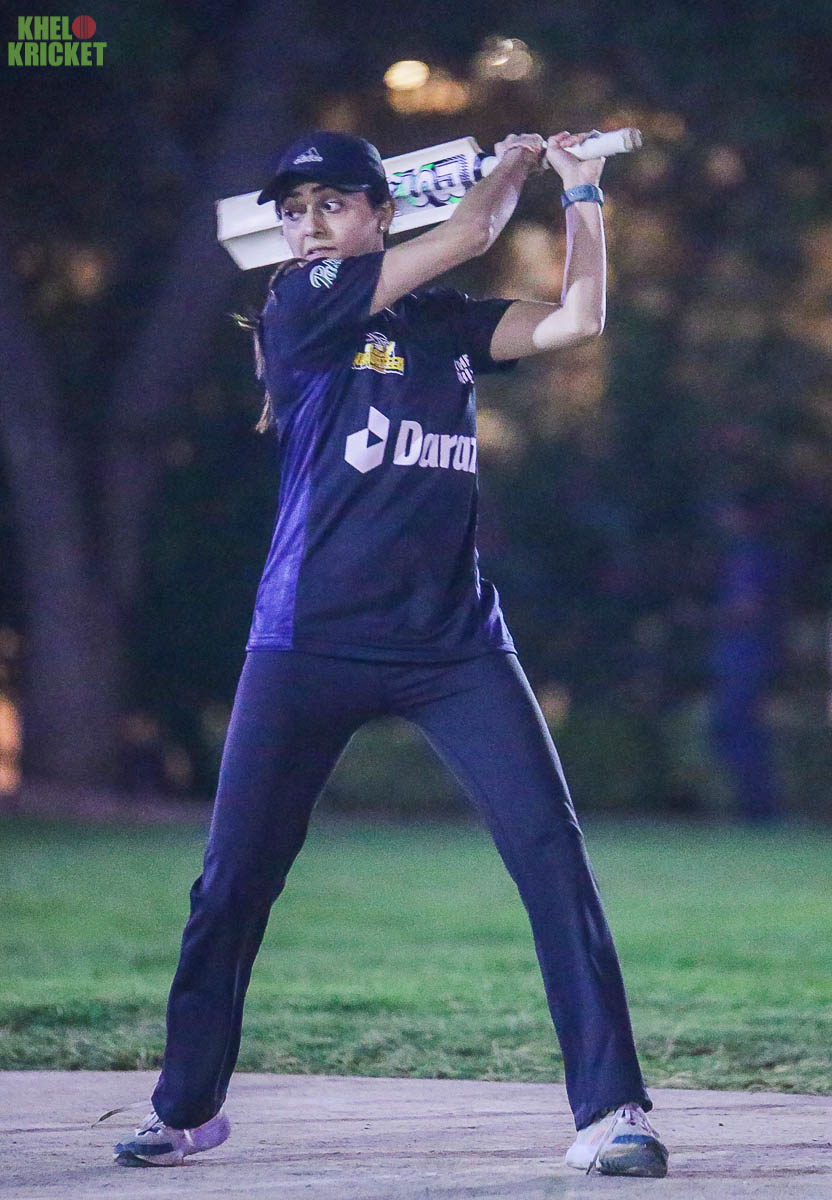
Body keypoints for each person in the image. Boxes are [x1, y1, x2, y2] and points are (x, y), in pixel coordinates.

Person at [110, 128, 668, 1178]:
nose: (309, 225)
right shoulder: (301, 300)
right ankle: (183, 1108)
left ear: (380, 212)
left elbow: (578, 318)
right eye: (294, 210)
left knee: (552, 860)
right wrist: (510, 171)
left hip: (454, 645)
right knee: (233, 882)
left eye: (332, 204)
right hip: (307, 640)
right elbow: (471, 230)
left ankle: (612, 1113)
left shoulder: (443, 325)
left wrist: (584, 193)